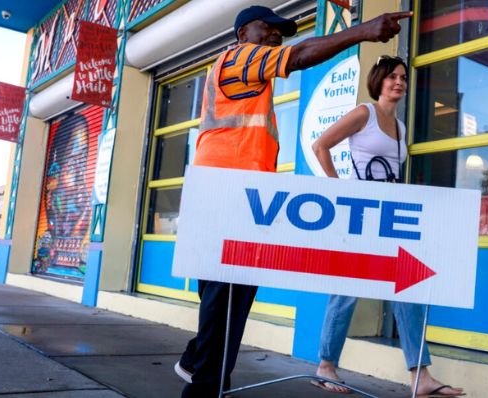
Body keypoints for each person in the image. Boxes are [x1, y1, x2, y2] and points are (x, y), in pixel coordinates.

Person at [173, 6, 413, 398]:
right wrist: (364, 31)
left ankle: (196, 359)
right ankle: (203, 386)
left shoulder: (249, 80)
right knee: (226, 303)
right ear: (241, 33)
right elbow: (300, 55)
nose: (273, 36)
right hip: (226, 194)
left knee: (225, 303)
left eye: (278, 32)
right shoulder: (238, 57)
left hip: (235, 195)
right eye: (265, 28)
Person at [310, 56, 465, 397]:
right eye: (392, 76)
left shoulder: (401, 127)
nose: (399, 82)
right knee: (346, 291)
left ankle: (420, 375)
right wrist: (339, 191)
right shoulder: (363, 114)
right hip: (360, 214)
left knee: (408, 289)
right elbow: (320, 145)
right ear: (378, 81)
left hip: (390, 215)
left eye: (403, 77)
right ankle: (326, 366)